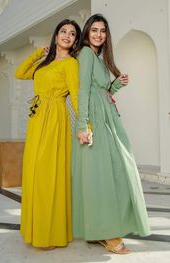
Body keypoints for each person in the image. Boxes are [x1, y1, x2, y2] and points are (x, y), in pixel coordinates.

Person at [72, 14, 151, 254]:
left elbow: (102, 90)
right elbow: (83, 90)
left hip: (108, 116)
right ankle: (107, 232)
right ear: (86, 33)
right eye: (94, 30)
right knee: (101, 176)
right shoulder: (85, 54)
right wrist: (83, 126)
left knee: (113, 171)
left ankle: (98, 230)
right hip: (95, 120)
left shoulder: (98, 57)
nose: (98, 34)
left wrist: (116, 84)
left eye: (103, 31)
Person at [14, 19, 81, 249]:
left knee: (48, 175)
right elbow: (19, 73)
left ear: (74, 41)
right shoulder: (46, 63)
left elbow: (75, 96)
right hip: (36, 119)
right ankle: (35, 229)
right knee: (33, 172)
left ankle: (50, 233)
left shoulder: (71, 63)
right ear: (55, 36)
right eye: (63, 31)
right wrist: (36, 55)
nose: (67, 35)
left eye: (72, 34)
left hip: (54, 119)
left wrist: (84, 125)